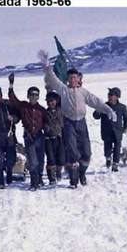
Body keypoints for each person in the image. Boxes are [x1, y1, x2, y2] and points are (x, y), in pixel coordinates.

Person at [39, 50, 117, 188]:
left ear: (78, 79)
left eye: (75, 77)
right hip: (68, 123)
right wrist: (47, 66)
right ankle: (73, 180)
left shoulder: (83, 92)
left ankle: (82, 173)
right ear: (68, 79)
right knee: (72, 153)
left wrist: (108, 110)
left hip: (81, 123)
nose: (73, 80)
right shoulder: (63, 90)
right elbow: (52, 79)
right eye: (71, 78)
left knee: (86, 153)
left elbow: (96, 101)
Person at [8, 73, 47, 191]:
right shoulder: (23, 106)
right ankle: (34, 182)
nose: (33, 97)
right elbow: (12, 99)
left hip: (40, 136)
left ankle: (39, 178)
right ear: (28, 96)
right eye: (31, 95)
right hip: (29, 136)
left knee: (40, 159)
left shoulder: (42, 110)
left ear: (38, 97)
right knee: (33, 160)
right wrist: (11, 85)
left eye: (36, 95)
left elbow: (46, 123)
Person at [93, 87, 127, 172]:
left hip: (117, 132)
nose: (109, 97)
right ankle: (108, 158)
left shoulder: (122, 107)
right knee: (107, 148)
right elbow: (96, 116)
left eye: (111, 95)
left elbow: (126, 118)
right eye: (108, 95)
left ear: (117, 97)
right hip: (107, 132)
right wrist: (98, 109)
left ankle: (115, 164)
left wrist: (125, 127)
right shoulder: (104, 106)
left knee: (117, 147)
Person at [44, 91, 65, 185]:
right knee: (51, 158)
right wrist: (46, 127)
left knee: (61, 158)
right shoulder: (45, 112)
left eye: (52, 101)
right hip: (49, 139)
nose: (50, 103)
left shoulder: (61, 110)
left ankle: (58, 171)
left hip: (59, 137)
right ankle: (51, 177)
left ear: (57, 101)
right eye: (48, 101)